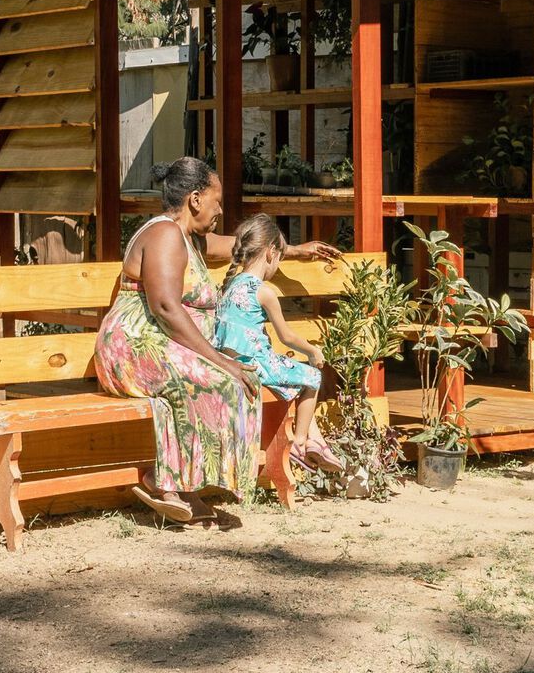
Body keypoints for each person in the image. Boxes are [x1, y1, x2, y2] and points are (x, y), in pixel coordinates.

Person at [93, 156, 341, 524]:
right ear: (195, 198)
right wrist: (219, 358)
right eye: (217, 200)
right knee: (222, 377)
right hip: (133, 346)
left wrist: (289, 250)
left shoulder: (189, 239)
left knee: (238, 377)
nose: (220, 210)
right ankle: (166, 481)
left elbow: (237, 247)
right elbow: (164, 306)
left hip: (163, 344)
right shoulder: (164, 235)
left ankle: (179, 484)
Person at [213, 213, 345, 475]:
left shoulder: (230, 286)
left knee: (292, 378)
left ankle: (314, 441)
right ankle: (299, 442)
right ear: (271, 253)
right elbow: (287, 336)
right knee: (311, 376)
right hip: (255, 366)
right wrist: (312, 350)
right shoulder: (263, 291)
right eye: (280, 258)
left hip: (231, 363)